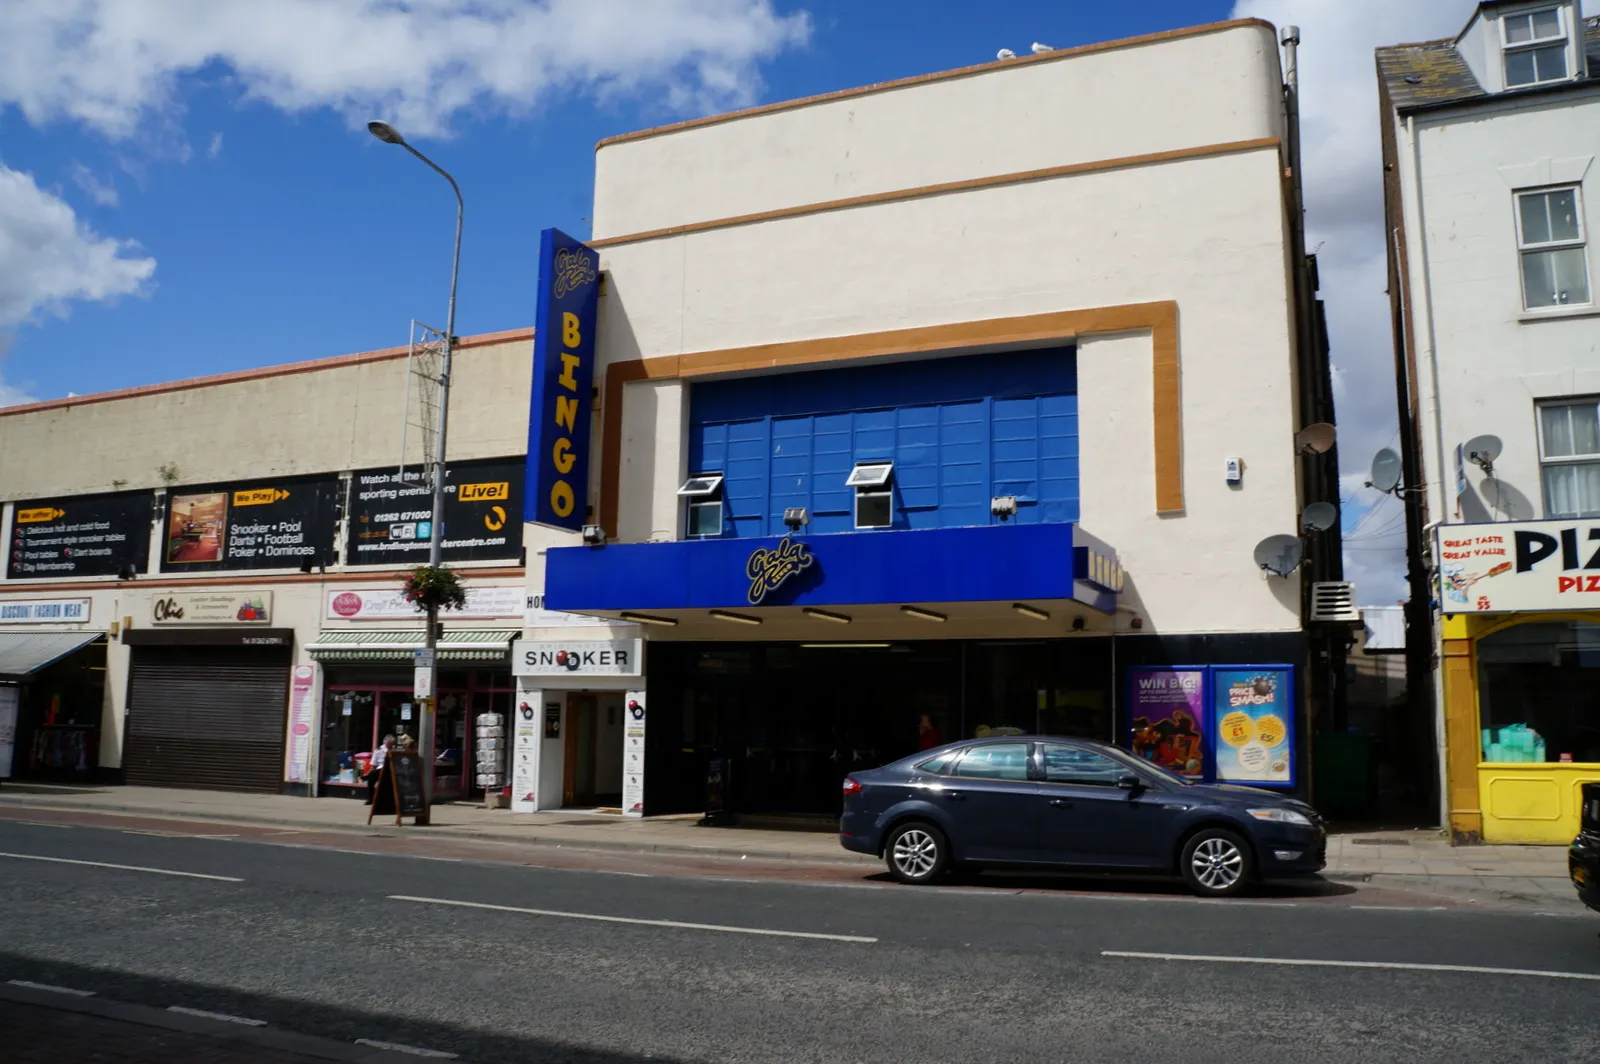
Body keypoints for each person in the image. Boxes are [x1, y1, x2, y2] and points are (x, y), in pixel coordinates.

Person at [365, 734, 395, 805]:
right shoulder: (378, 751)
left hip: (392, 770)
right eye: (389, 744)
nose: (390, 746)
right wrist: (369, 773)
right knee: (371, 777)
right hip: (380, 770)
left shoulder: (395, 750)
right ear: (385, 743)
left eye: (391, 744)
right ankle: (371, 799)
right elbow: (373, 765)